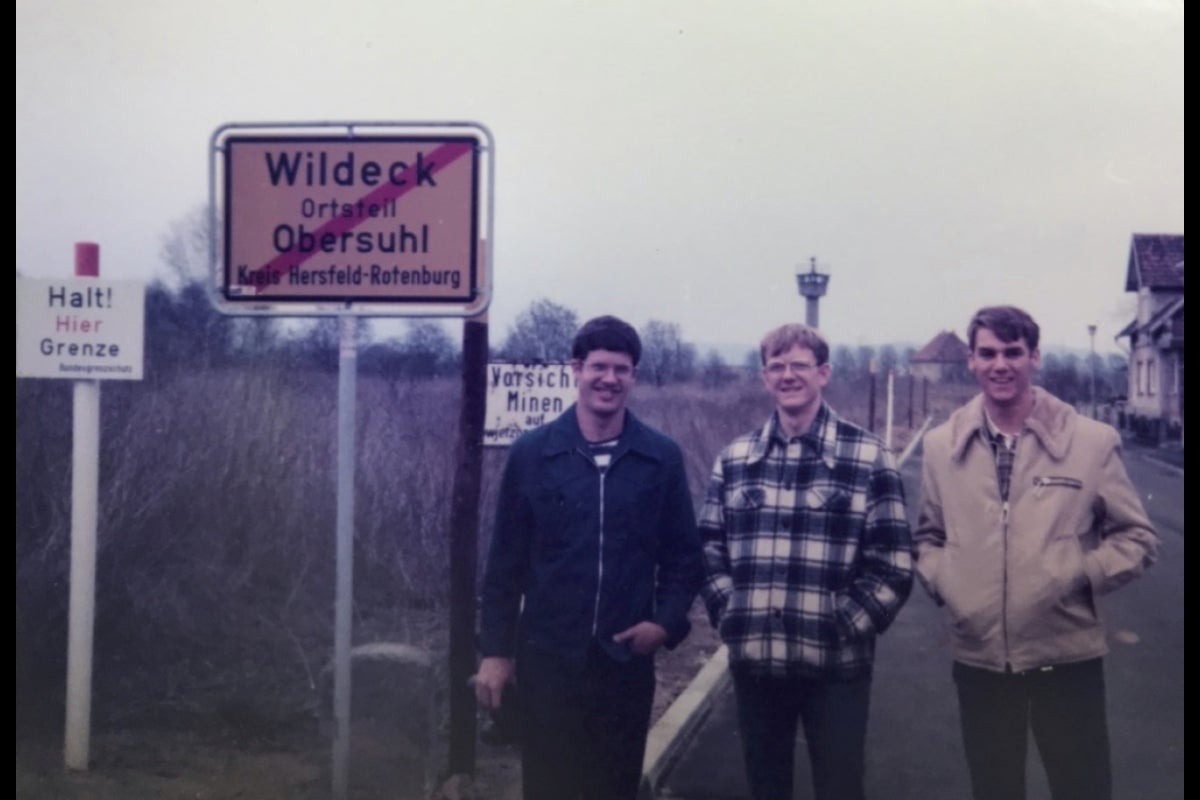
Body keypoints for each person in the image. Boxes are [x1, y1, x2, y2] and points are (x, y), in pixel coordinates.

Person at [914, 305, 1159, 800]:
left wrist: (1075, 574)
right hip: (980, 658)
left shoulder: (1090, 442)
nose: (999, 364)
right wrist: (950, 583)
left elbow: (1137, 538)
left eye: (1012, 352)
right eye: (987, 353)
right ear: (971, 361)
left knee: (1082, 787)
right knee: (995, 788)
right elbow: (927, 537)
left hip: (1065, 655)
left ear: (1034, 358)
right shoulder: (942, 447)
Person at [475, 315, 704, 800]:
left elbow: (684, 556)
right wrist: (496, 652)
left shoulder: (659, 457)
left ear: (633, 376)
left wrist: (663, 624)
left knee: (613, 788)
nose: (609, 379)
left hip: (623, 664)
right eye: (599, 366)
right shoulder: (533, 454)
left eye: (622, 369)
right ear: (576, 369)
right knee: (548, 787)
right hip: (548, 663)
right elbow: (504, 566)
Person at [699, 322, 913, 800]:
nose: (787, 375)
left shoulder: (869, 457)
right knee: (766, 786)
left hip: (836, 669)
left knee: (839, 787)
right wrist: (732, 615)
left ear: (824, 373)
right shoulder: (735, 459)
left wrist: (842, 624)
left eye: (799, 365)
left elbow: (894, 564)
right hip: (757, 664)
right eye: (777, 366)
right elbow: (709, 548)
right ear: (764, 377)